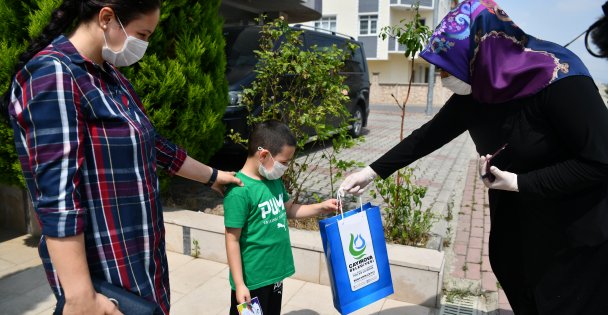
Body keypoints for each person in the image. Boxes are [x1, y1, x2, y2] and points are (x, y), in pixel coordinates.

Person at [340, 0, 608, 314]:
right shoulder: (478, 90)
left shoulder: (562, 79)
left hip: (573, 227)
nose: (442, 76)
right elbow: (427, 136)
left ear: (482, 53)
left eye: (446, 66)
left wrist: (522, 182)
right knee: (517, 278)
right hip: (520, 218)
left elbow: (600, 161)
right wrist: (370, 172)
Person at [2, 1, 242, 314]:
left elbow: (153, 145)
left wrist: (214, 176)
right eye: (143, 33)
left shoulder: (109, 76)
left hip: (141, 264)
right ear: (106, 17)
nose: (144, 44)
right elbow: (58, 199)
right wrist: (81, 298)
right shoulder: (53, 74)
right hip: (108, 278)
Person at [224, 120, 338, 315]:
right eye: (284, 162)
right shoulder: (239, 192)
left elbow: (289, 210)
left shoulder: (274, 181)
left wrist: (321, 207)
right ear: (264, 155)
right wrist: (240, 284)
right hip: (251, 282)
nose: (285, 167)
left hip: (275, 274)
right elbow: (232, 240)